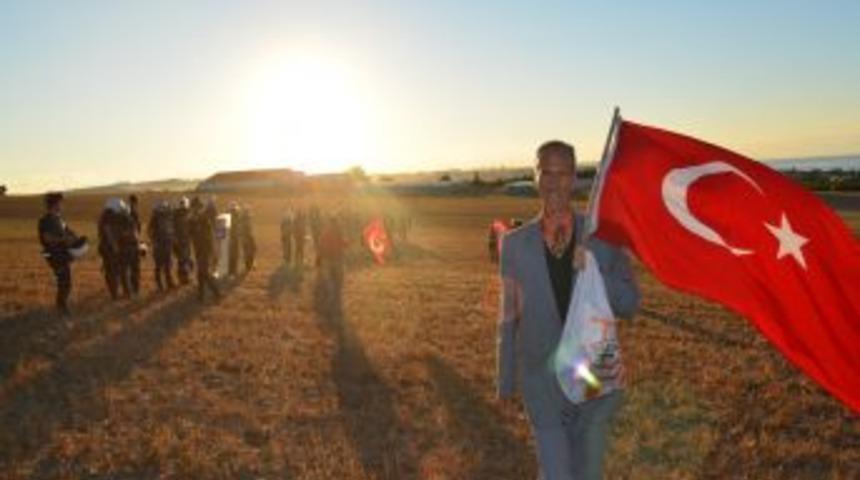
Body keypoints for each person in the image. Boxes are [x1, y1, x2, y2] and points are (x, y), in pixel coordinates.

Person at [497, 140, 640, 480]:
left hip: (591, 382)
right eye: (547, 171)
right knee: (557, 472)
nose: (555, 182)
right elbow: (508, 315)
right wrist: (505, 380)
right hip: (541, 384)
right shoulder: (515, 245)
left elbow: (630, 303)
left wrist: (595, 270)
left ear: (575, 177)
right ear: (536, 175)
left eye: (564, 173)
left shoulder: (602, 237)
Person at [37, 192, 82, 315]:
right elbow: (47, 238)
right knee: (64, 281)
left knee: (65, 281)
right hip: (53, 255)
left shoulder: (58, 219)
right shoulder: (45, 220)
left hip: (62, 254)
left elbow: (68, 232)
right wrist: (63, 239)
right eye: (61, 203)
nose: (62, 205)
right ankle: (62, 307)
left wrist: (77, 240)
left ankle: (61, 305)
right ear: (55, 204)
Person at [98, 197, 132, 300]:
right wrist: (115, 246)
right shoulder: (108, 219)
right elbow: (109, 234)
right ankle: (120, 293)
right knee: (117, 271)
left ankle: (119, 293)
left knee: (114, 271)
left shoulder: (105, 218)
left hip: (108, 248)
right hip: (112, 249)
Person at [189, 197, 220, 301]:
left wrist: (211, 250)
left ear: (199, 208)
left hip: (205, 249)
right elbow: (190, 235)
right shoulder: (192, 221)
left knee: (204, 272)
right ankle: (201, 295)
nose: (194, 210)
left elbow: (209, 235)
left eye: (196, 208)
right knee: (200, 273)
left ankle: (216, 293)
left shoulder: (204, 220)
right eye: (193, 208)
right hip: (198, 249)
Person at [148, 199, 176, 291]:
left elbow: (150, 232)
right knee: (161, 266)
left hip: (164, 244)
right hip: (161, 244)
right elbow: (150, 231)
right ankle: (163, 284)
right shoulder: (158, 218)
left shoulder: (165, 217)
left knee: (165, 265)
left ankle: (166, 284)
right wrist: (154, 240)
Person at [172, 196, 193, 285]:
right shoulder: (177, 215)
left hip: (183, 241)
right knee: (183, 261)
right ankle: (184, 279)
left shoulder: (178, 214)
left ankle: (184, 278)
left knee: (184, 260)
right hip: (181, 241)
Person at [240, 203, 256, 272]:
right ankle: (249, 265)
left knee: (247, 251)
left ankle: (249, 265)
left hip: (245, 238)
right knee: (251, 251)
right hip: (248, 237)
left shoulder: (242, 219)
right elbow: (248, 230)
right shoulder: (246, 220)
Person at [228, 201, 241, 276]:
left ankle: (231, 271)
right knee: (234, 255)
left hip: (231, 238)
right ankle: (233, 271)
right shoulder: (236, 216)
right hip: (233, 238)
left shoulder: (228, 216)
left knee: (232, 256)